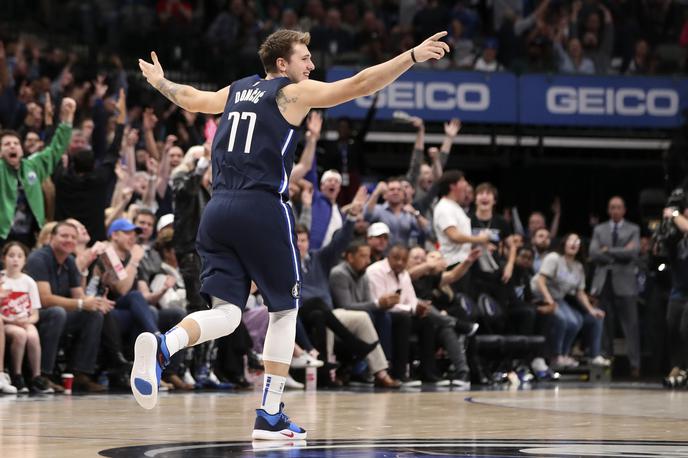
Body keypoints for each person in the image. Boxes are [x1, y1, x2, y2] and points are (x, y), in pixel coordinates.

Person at [133, 28, 450, 440]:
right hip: (260, 207)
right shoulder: (290, 93)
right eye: (305, 58)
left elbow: (192, 99)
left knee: (228, 314)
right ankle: (269, 412)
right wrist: (410, 56)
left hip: (218, 210)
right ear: (283, 65)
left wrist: (159, 82)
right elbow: (358, 85)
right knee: (284, 310)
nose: (312, 65)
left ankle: (164, 345)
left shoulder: (238, 89)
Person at [589, 197, 641, 376]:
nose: (615, 210)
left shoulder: (633, 229)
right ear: (608, 210)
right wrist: (621, 253)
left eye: (619, 207)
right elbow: (594, 253)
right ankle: (606, 364)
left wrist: (608, 251)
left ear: (624, 210)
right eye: (612, 207)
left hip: (625, 284)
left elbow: (633, 252)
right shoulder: (599, 229)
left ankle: (635, 364)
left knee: (631, 326)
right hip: (604, 282)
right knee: (605, 326)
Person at [1, 242, 52, 393]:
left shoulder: (29, 282)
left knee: (33, 335)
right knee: (20, 335)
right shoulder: (1, 280)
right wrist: (10, 320)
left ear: (25, 260)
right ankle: (17, 375)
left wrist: (27, 321)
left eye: (19, 256)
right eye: (11, 256)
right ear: (4, 258)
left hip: (24, 320)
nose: (15, 260)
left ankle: (36, 376)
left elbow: (35, 314)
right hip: (6, 321)